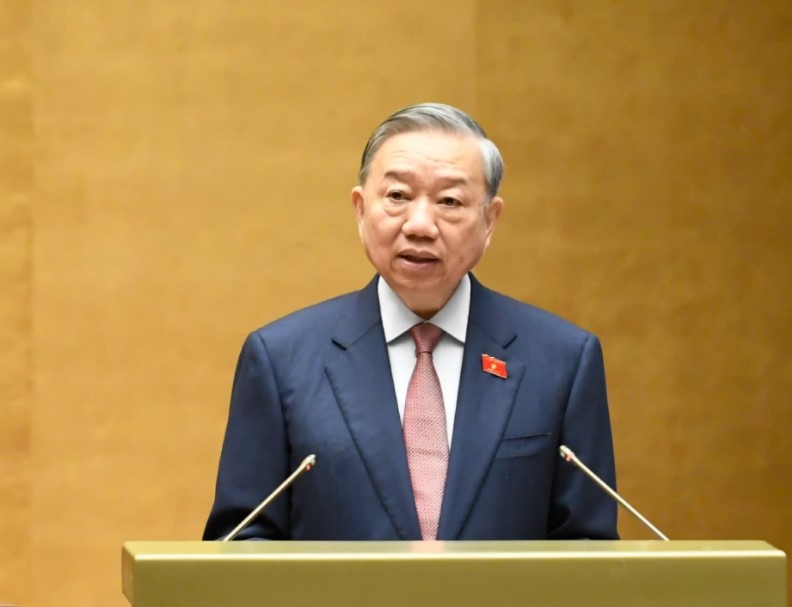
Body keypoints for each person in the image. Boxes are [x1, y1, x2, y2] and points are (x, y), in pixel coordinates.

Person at [203, 103, 618, 541]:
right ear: (361, 209)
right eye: (398, 196)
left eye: (449, 201)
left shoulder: (562, 361)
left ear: (489, 221)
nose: (420, 225)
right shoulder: (280, 360)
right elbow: (241, 545)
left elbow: (588, 552)